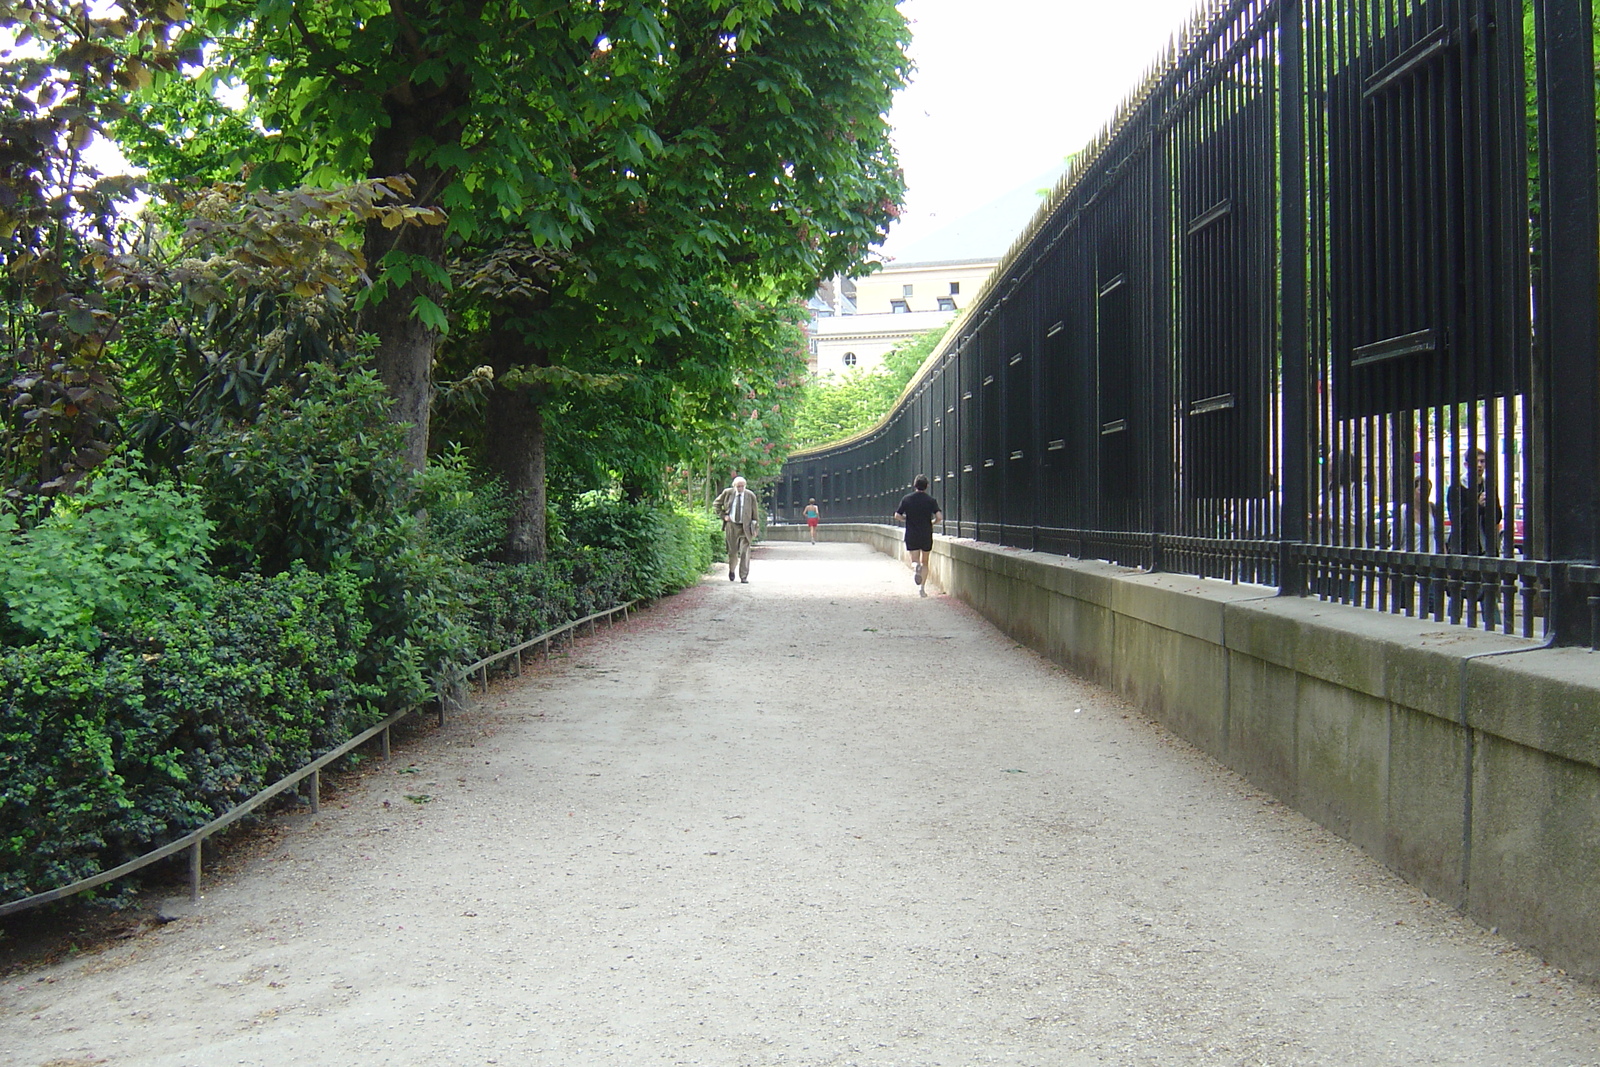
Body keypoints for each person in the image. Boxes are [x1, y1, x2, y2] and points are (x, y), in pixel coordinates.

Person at [1446, 448, 1503, 626]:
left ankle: (1493, 626)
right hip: (1463, 548)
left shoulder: (1488, 486)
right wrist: (1476, 505)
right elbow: (1458, 519)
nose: (1480, 466)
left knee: (1489, 590)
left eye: (1483, 462)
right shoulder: (1457, 487)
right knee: (1459, 590)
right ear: (1466, 465)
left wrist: (1490, 506)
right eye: (1476, 462)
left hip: (1485, 547)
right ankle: (1453, 624)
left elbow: (1498, 516)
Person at [893, 474, 942, 598]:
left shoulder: (907, 499)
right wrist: (933, 522)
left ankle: (916, 567)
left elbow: (897, 515)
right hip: (926, 533)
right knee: (925, 561)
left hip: (912, 532)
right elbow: (939, 517)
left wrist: (905, 519)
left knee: (914, 560)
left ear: (915, 485)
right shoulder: (931, 500)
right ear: (927, 486)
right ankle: (922, 589)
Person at [714, 475, 759, 583]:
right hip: (732, 526)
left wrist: (756, 528)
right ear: (734, 486)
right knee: (733, 551)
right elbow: (716, 504)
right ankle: (732, 570)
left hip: (746, 527)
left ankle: (744, 576)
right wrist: (723, 516)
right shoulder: (728, 493)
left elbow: (755, 513)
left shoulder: (750, 495)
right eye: (738, 486)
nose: (740, 488)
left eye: (742, 486)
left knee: (745, 552)